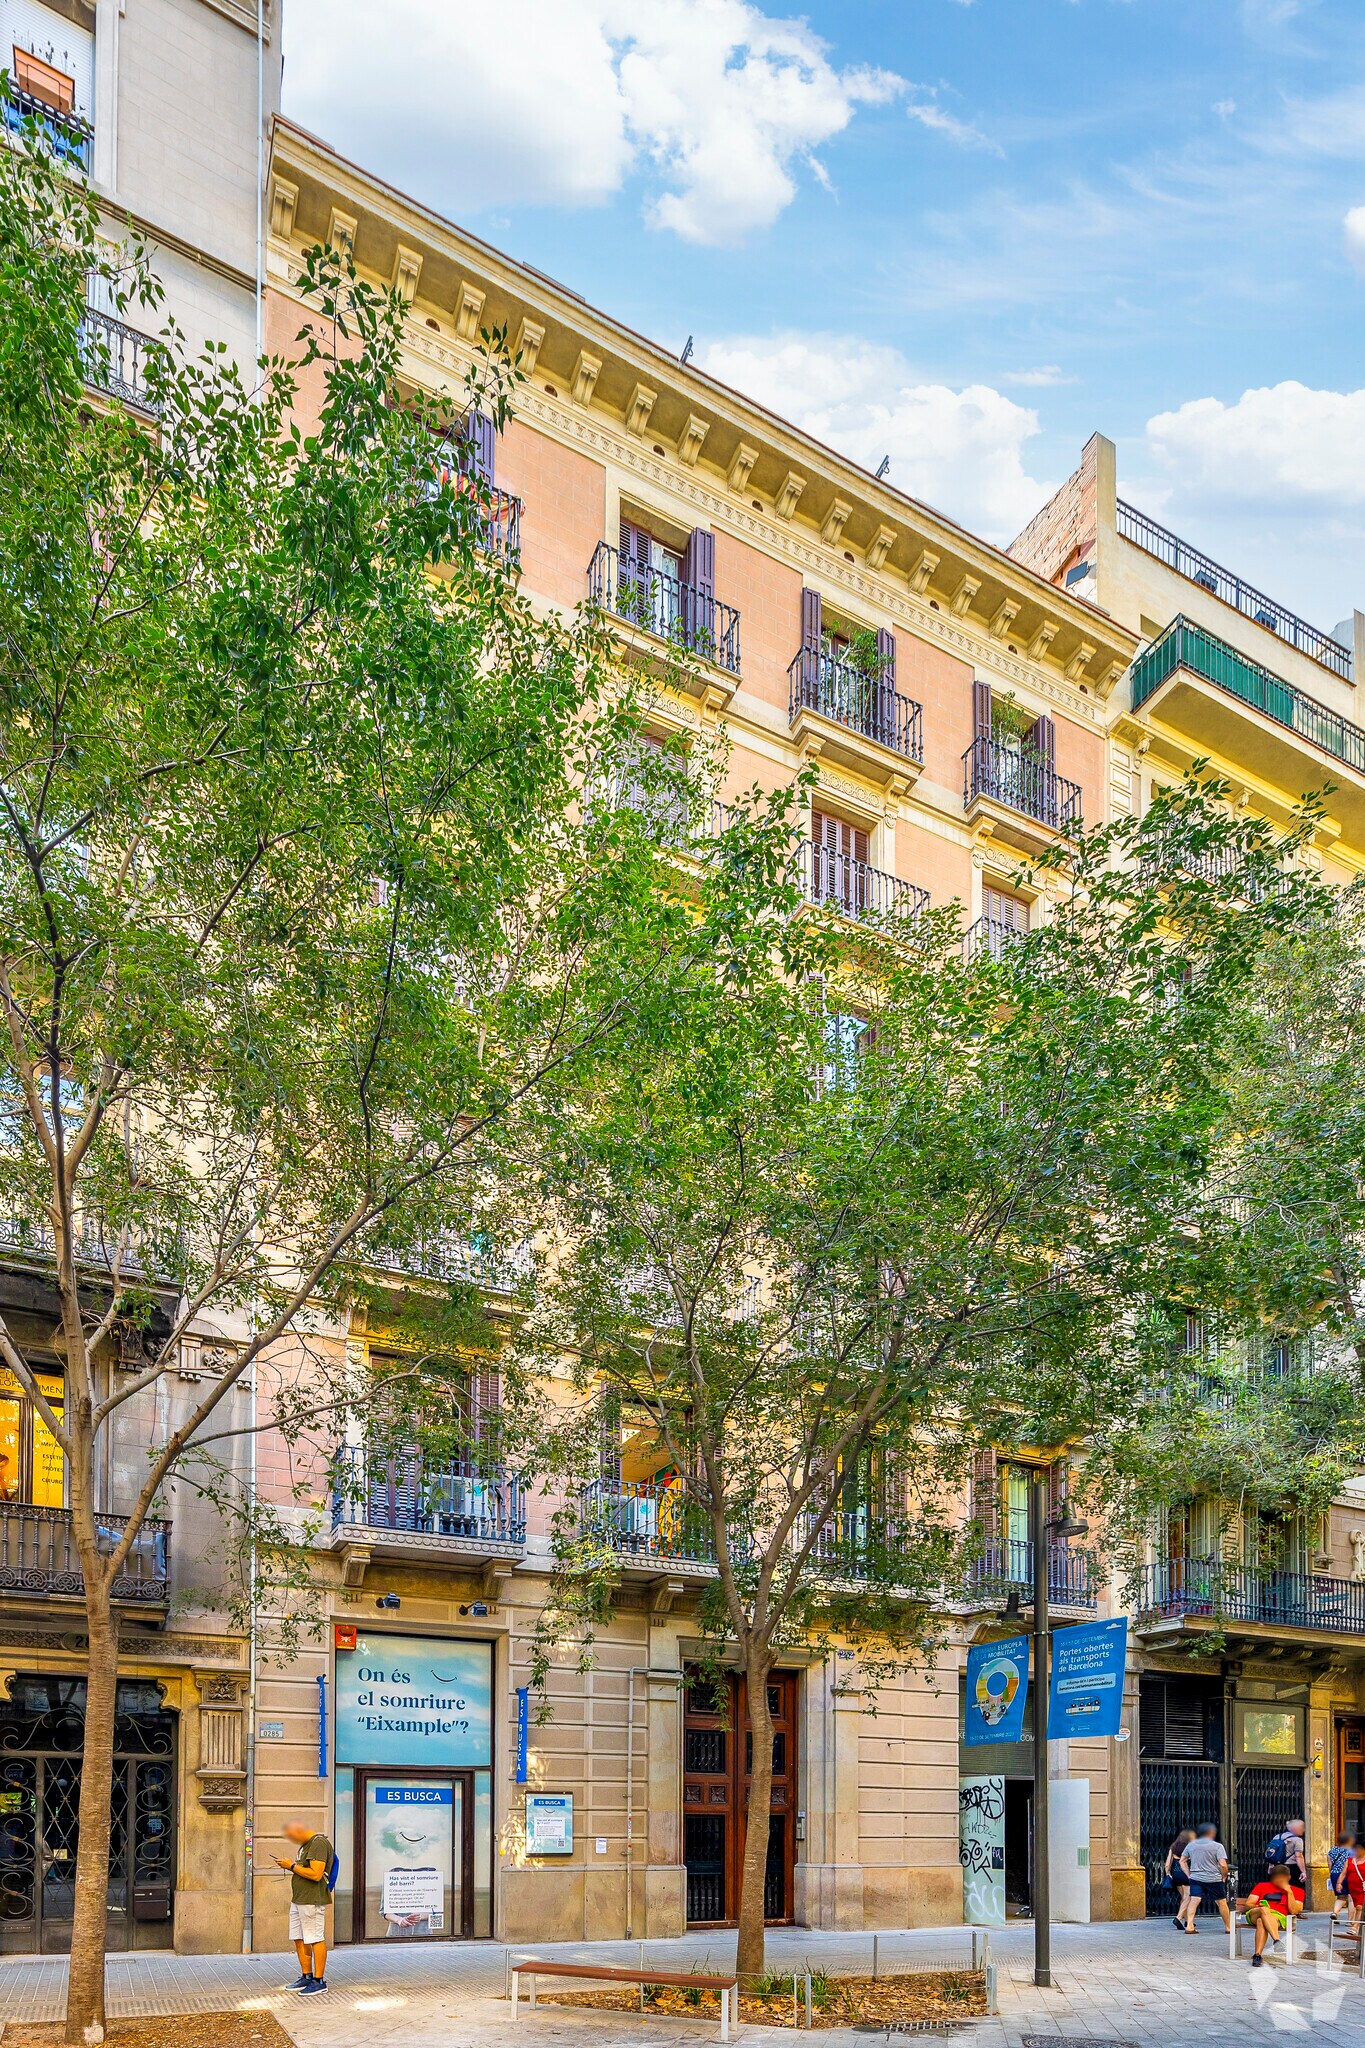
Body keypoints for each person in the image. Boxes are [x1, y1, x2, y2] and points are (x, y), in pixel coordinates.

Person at [274, 1819, 332, 1996]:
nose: (292, 1840)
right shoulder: (306, 1845)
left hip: (311, 1899)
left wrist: (291, 1866)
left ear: (300, 1830)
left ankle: (319, 1981)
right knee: (299, 1938)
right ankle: (307, 1976)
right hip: (299, 1899)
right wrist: (292, 1866)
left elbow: (316, 1874)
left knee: (315, 1938)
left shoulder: (318, 1843)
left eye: (292, 1836)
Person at [1243, 1864, 1304, 1966]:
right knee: (1264, 1910)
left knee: (1261, 1921)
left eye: (1281, 1878)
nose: (1279, 1880)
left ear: (1288, 1877)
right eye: (1276, 1878)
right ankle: (1276, 1940)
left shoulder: (1298, 1891)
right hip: (1256, 1912)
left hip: (1278, 1917)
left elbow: (1294, 1911)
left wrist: (1289, 1893)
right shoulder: (1261, 1886)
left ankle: (1257, 1955)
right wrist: (1259, 1906)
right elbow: (1248, 1904)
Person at [1179, 1822, 1232, 1934]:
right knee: (1221, 1902)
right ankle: (1228, 1927)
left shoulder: (1191, 1845)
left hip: (1196, 1878)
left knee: (1194, 1900)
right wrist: (1224, 1876)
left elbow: (1182, 1861)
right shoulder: (1217, 1846)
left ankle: (1189, 1926)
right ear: (1211, 1833)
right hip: (1214, 1879)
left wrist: (1189, 1874)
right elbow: (1223, 1865)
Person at [1265, 1818, 1307, 1888]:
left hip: (1277, 1866)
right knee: (1293, 1888)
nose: (1303, 1830)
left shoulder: (1277, 1837)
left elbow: (1272, 1853)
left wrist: (1270, 1866)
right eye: (1301, 1827)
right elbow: (1299, 1856)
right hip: (1292, 1868)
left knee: (1277, 1888)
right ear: (1295, 1828)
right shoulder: (1298, 1840)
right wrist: (1303, 1871)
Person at [1165, 1829, 1194, 1929]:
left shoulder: (1173, 1847)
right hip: (1185, 1873)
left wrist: (1168, 1873)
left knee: (1184, 1897)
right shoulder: (1189, 1847)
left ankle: (1187, 1921)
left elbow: (1168, 1863)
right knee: (1187, 1897)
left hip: (1176, 1874)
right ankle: (1178, 1918)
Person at [1329, 1830, 1357, 1920]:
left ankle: (1335, 1913)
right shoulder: (1353, 1851)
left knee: (1341, 1897)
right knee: (1351, 1898)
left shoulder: (1332, 1850)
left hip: (1335, 1874)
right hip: (1348, 1875)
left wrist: (1332, 1874)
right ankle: (1350, 1921)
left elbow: (1330, 1864)